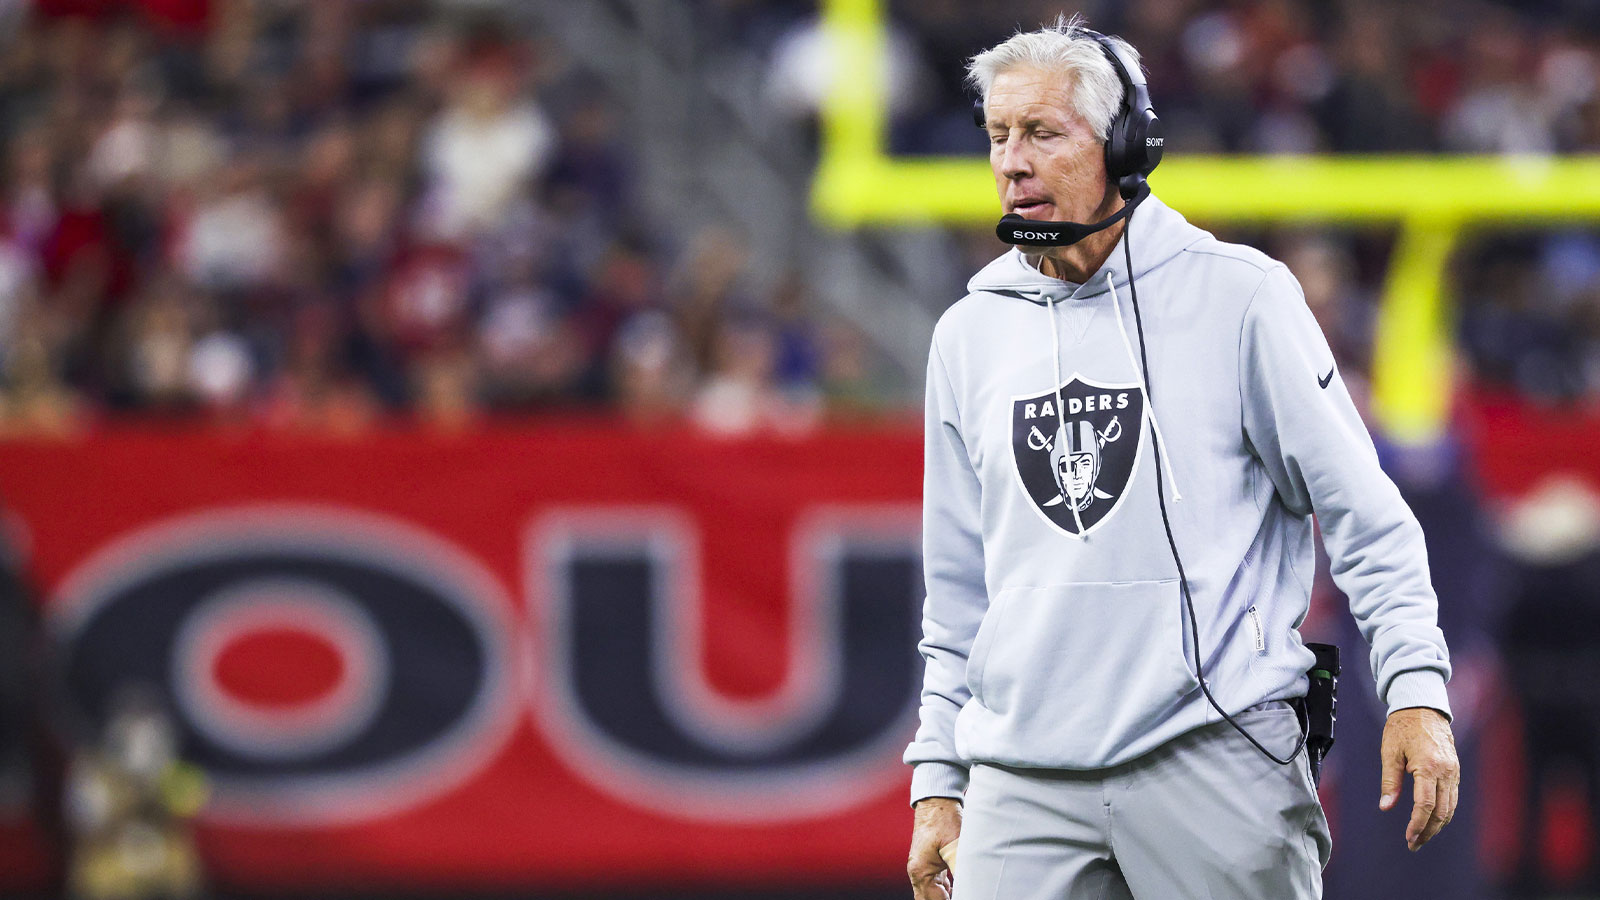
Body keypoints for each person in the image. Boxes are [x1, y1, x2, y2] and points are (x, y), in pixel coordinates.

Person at [904, 17, 1459, 900]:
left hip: (1213, 755)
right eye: (998, 135)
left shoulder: (1240, 299)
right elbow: (958, 594)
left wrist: (1417, 688)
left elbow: (1368, 519)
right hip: (1021, 777)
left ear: (1125, 146)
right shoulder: (969, 335)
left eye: (1043, 133)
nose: (1011, 161)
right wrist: (939, 780)